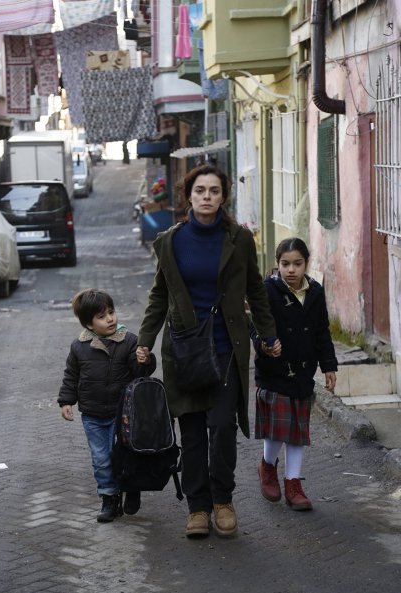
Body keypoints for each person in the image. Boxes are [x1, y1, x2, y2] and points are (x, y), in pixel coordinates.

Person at [136, 164, 280, 539]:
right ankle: (197, 508)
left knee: (222, 429)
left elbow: (256, 291)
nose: (206, 197)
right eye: (200, 190)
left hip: (226, 350)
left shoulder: (240, 239)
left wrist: (268, 334)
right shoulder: (170, 241)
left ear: (223, 196)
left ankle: (223, 501)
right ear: (189, 195)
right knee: (194, 433)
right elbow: (159, 294)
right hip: (184, 351)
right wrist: (144, 341)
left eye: (214, 191)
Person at [251, 237, 337, 511]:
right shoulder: (268, 290)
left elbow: (322, 331)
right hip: (274, 372)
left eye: (297, 264)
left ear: (306, 263)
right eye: (285, 264)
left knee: (297, 432)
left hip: (302, 373)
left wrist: (329, 365)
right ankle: (267, 467)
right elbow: (255, 325)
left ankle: (293, 483)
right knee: (277, 431)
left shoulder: (315, 292)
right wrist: (265, 344)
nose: (291, 270)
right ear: (277, 265)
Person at [58, 288, 156, 522]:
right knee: (101, 459)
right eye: (102, 316)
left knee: (125, 455)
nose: (110, 319)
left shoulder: (129, 340)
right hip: (92, 415)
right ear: (89, 324)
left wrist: (146, 359)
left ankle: (132, 488)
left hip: (122, 414)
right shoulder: (79, 346)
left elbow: (141, 373)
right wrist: (66, 400)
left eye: (111, 312)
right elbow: (71, 375)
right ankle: (109, 499)